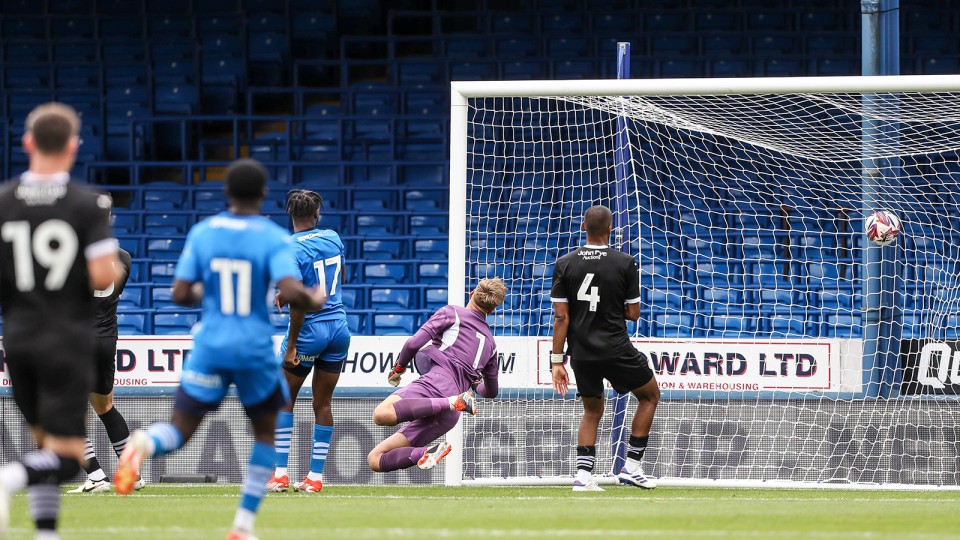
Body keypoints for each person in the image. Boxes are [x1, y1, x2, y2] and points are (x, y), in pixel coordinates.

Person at [112, 159, 327, 540]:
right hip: (252, 351)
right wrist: (315, 297)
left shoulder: (203, 232)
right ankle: (242, 526)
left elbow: (179, 293)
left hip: (210, 346)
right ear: (263, 194)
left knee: (179, 430)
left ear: (226, 193)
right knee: (266, 433)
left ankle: (143, 442)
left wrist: (209, 291)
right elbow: (292, 292)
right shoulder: (270, 237)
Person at [0, 102, 120, 539]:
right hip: (66, 337)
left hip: (18, 336)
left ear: (28, 142)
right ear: (73, 146)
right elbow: (103, 276)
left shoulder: (3, 201)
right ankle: (9, 479)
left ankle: (45, 533)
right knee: (69, 458)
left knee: (42, 444)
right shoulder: (87, 204)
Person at [550, 205, 660, 492]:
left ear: (583, 225)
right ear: (610, 229)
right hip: (615, 348)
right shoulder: (625, 262)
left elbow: (561, 316)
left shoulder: (564, 262)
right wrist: (610, 310)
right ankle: (632, 467)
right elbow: (634, 313)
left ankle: (583, 477)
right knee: (649, 396)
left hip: (582, 353)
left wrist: (556, 361)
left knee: (592, 410)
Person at [367, 278, 506, 474]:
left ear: (472, 294)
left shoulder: (453, 313)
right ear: (491, 311)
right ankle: (423, 454)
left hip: (438, 384)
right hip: (450, 415)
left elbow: (413, 344)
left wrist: (399, 368)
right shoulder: (491, 345)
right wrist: (474, 384)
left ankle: (451, 401)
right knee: (375, 459)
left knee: (382, 414)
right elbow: (491, 392)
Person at [266, 189, 350, 493]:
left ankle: (280, 474)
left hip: (309, 332)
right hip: (339, 329)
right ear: (317, 214)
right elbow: (335, 277)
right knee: (322, 403)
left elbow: (300, 303)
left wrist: (291, 346)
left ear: (290, 215)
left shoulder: (287, 249)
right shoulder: (333, 237)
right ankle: (315, 478)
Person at [67, 246, 144, 494]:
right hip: (107, 338)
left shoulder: (72, 253)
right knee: (105, 406)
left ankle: (96, 475)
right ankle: (132, 473)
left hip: (78, 339)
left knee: (66, 409)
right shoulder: (124, 256)